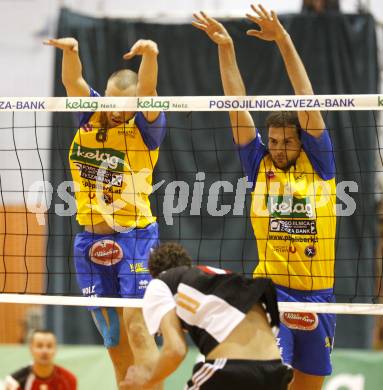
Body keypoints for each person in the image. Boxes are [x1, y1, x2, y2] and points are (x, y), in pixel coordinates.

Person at [192, 5, 336, 390]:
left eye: (286, 142)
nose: (278, 148)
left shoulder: (319, 163)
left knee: (308, 386)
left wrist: (284, 41)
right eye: (272, 142)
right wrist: (226, 49)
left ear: (301, 142)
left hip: (317, 297)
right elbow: (236, 106)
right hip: (270, 292)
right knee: (268, 377)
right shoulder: (259, 165)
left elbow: (304, 95)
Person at [44, 37, 166, 389]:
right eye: (110, 100)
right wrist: (71, 52)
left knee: (138, 328)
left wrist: (151, 56)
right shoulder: (91, 113)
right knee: (113, 340)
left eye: (123, 103)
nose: (114, 109)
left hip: (135, 239)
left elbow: (150, 87)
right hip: (91, 240)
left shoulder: (147, 127)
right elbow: (73, 82)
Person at [122, 242, 293, 389]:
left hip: (230, 369)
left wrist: (147, 380)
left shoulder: (161, 283)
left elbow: (175, 350)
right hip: (275, 371)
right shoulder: (219, 276)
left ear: (155, 273)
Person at [4, 330, 77, 390]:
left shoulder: (68, 379)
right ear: (31, 349)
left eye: (49, 346)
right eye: (39, 346)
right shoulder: (14, 381)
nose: (45, 351)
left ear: (55, 349)